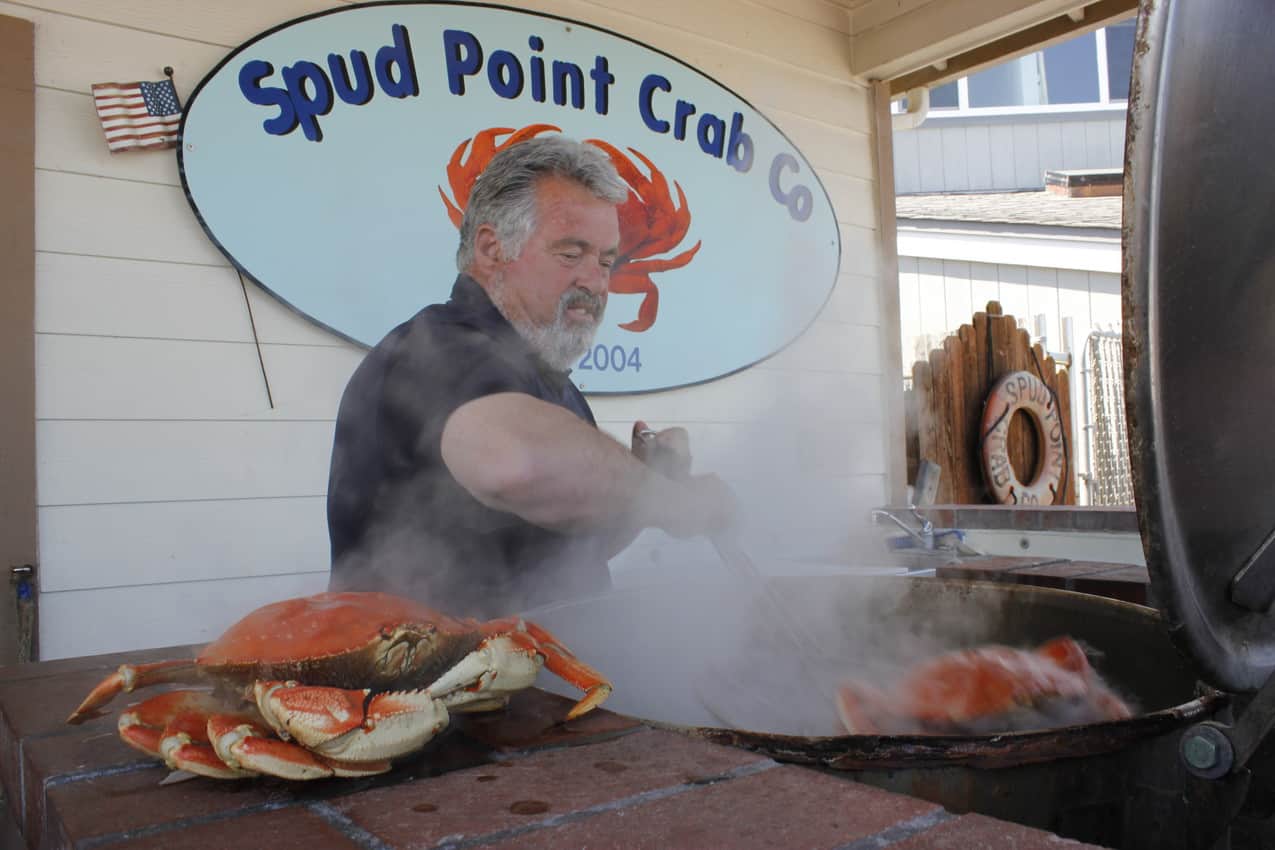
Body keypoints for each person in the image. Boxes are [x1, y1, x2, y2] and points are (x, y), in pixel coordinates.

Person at [326, 135, 734, 618]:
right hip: (429, 686)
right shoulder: (437, 347)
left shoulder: (546, 376)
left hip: (550, 681)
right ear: (490, 248)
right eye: (570, 253)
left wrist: (643, 487)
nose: (595, 281)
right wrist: (670, 501)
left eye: (606, 260)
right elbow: (515, 463)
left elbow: (572, 550)